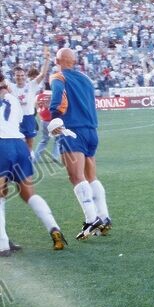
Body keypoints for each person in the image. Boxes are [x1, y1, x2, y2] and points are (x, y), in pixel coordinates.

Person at [0, 75, 68, 255]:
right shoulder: (13, 99)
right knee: (29, 194)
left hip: (1, 146)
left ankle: (3, 243)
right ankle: (54, 229)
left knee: (0, 195)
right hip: (19, 146)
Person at [48, 47, 111, 239]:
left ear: (58, 61)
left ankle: (91, 219)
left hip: (72, 130)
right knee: (91, 175)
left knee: (76, 176)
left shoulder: (58, 77)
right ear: (73, 61)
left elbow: (57, 101)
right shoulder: (86, 79)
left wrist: (55, 117)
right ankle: (104, 216)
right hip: (91, 131)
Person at [11, 62, 45, 152]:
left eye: (22, 75)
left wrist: (46, 60)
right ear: (14, 76)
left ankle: (29, 163)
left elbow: (42, 75)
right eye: (17, 75)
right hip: (16, 119)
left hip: (28, 118)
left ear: (25, 76)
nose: (20, 77)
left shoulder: (31, 85)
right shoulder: (11, 87)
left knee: (29, 145)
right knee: (17, 145)